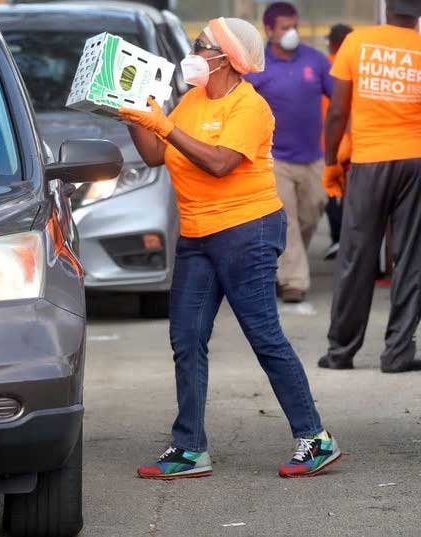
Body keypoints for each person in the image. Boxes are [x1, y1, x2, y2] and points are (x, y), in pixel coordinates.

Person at [119, 17, 340, 480]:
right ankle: (189, 448)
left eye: (201, 45)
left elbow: (220, 163)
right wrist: (136, 115)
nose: (194, 51)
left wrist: (163, 125)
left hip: (248, 231)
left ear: (226, 57)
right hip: (199, 235)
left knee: (263, 335)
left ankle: (315, 438)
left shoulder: (249, 106)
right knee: (186, 338)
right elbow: (155, 155)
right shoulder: (191, 101)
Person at [319, 0, 421, 373]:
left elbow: (336, 112)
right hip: (416, 160)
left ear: (387, 8)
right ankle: (397, 352)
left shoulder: (356, 43)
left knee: (356, 254)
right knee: (411, 257)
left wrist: (331, 163)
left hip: (368, 161)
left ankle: (340, 352)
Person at [244, 2, 333, 303]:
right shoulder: (258, 67)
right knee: (289, 221)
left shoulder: (315, 60)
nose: (291, 32)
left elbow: (339, 96)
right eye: (284, 27)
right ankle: (294, 281)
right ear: (268, 30)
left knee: (312, 212)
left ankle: (284, 267)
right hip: (275, 159)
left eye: (293, 26)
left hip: (313, 157)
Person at [321, 23, 353, 261]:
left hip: (327, 141)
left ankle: (338, 237)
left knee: (331, 190)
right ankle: (343, 239)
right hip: (351, 141)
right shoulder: (355, 65)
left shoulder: (328, 65)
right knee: (348, 194)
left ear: (333, 42)